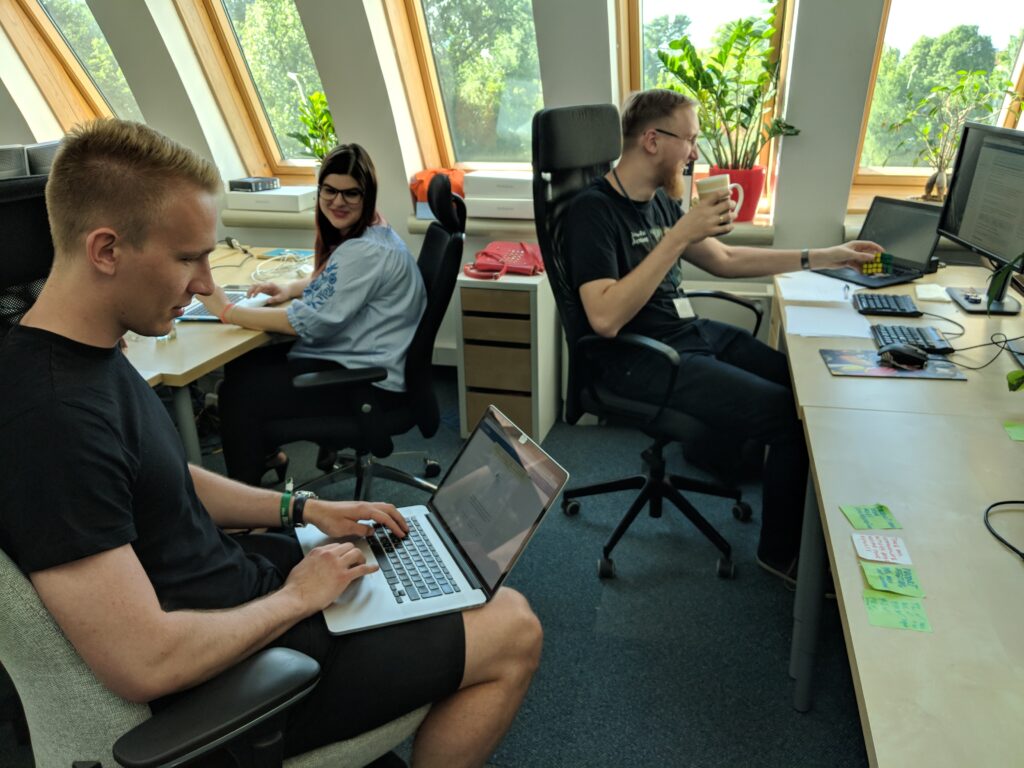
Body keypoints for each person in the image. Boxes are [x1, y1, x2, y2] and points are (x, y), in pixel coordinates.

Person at [0, 119, 542, 767]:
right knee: (513, 625)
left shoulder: (89, 354)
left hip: (248, 594)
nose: (206, 282)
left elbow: (166, 474)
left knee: (415, 560)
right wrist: (299, 596)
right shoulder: (53, 418)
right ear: (107, 250)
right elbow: (144, 663)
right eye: (186, 258)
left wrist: (304, 510)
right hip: (233, 677)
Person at [560, 89, 881, 585]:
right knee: (788, 419)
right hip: (640, 359)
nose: (694, 153)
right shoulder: (592, 212)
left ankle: (817, 528)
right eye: (688, 140)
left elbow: (727, 261)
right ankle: (781, 554)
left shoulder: (659, 204)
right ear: (652, 140)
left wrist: (827, 255)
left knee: (802, 386)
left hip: (686, 334)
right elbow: (604, 318)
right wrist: (678, 236)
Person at [196, 143, 427, 485]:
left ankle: (251, 515)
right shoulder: (374, 231)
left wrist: (227, 311)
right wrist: (291, 288)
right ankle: (265, 457)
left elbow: (304, 323)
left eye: (351, 193)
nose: (338, 201)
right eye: (330, 190)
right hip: (364, 359)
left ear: (367, 196)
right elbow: (339, 281)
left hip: (369, 383)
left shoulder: (365, 250)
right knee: (244, 364)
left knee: (237, 393)